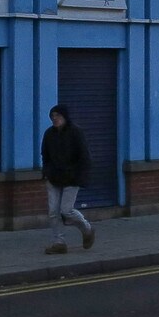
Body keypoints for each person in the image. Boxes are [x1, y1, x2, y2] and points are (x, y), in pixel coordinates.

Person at [40, 102, 95, 254]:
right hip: (54, 177)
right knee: (53, 212)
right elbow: (45, 155)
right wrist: (46, 172)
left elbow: (84, 156)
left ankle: (87, 228)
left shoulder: (76, 132)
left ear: (65, 116)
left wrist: (81, 175)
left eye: (58, 115)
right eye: (52, 116)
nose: (55, 118)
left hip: (72, 177)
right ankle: (59, 242)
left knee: (66, 211)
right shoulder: (49, 134)